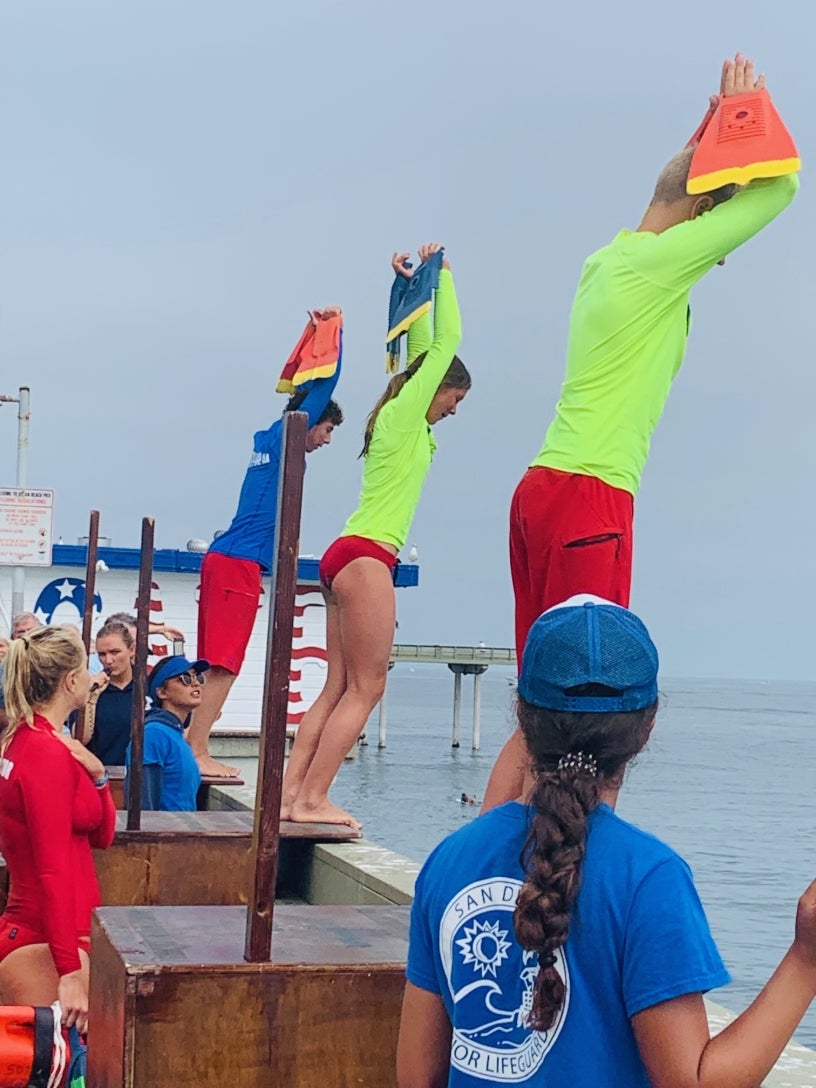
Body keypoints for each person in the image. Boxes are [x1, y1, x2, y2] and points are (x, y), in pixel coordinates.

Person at [487, 52, 799, 810]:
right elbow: (782, 187)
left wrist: (712, 135)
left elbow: (676, 187)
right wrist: (746, 115)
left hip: (541, 492)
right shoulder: (654, 268)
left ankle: (478, 870)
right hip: (589, 498)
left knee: (541, 703)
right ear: (702, 212)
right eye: (718, 219)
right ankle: (575, 894)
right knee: (597, 709)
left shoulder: (609, 262)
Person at [397, 597, 816, 1087]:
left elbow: (417, 1075)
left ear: (520, 713)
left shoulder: (449, 861)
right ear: (647, 726)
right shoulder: (647, 879)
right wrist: (805, 959)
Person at [282, 244, 468, 828]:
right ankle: (312, 800)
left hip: (345, 553)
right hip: (368, 557)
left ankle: (290, 795)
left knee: (338, 685)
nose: (456, 410)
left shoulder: (397, 410)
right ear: (436, 389)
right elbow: (443, 344)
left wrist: (412, 287)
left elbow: (418, 349)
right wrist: (445, 276)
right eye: (456, 399)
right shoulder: (408, 413)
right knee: (367, 688)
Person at [190, 308, 344, 779]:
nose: (327, 439)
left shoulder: (269, 441)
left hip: (227, 559)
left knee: (217, 661)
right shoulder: (286, 439)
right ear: (310, 423)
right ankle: (196, 749)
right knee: (225, 664)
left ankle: (191, 745)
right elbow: (322, 387)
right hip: (237, 563)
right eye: (327, 429)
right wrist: (335, 330)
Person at [0, 626, 116, 1035]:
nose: (92, 676)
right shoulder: (43, 751)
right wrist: (68, 970)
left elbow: (100, 837)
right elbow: (53, 869)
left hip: (57, 930)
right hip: (47, 936)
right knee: (58, 1068)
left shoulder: (40, 741)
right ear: (70, 681)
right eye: (86, 668)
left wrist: (99, 777)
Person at [125, 655, 206, 811]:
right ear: (161, 692)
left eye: (198, 677)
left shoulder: (175, 734)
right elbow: (142, 807)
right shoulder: (154, 734)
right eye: (185, 678)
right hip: (166, 831)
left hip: (182, 831)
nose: (195, 683)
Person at [83, 620, 134, 765]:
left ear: (131, 650)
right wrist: (91, 699)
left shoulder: (146, 686)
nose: (108, 660)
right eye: (102, 654)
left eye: (115, 652)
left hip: (143, 775)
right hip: (102, 774)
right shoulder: (92, 688)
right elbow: (80, 738)